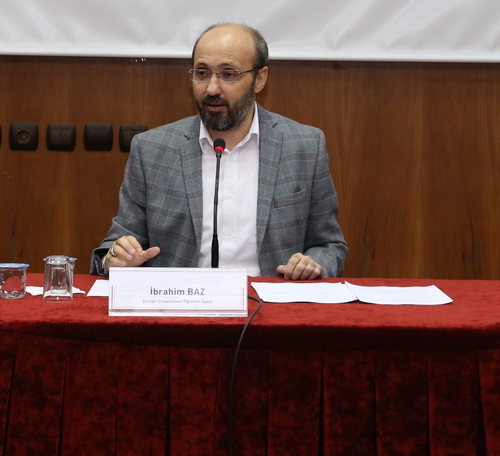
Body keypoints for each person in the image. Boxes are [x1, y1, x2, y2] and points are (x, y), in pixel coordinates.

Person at [91, 23, 347, 279]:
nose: (212, 89)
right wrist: (116, 258)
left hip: (269, 299)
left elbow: (329, 245)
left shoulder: (304, 147)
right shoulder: (151, 150)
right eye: (202, 73)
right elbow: (115, 245)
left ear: (260, 79)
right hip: (180, 298)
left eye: (228, 74)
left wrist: (314, 264)